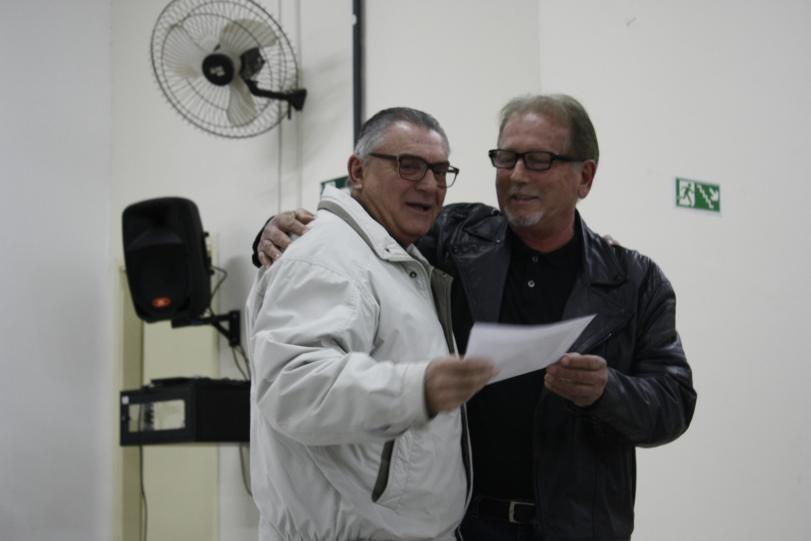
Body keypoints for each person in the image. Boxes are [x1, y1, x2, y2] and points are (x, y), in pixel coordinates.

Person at [254, 94, 697, 541]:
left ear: (585, 177)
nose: (516, 176)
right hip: (468, 524)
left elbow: (675, 402)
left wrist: (607, 390)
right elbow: (367, 233)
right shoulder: (455, 239)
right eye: (506, 158)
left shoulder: (633, 281)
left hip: (579, 527)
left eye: (538, 160)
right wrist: (278, 232)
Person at [246, 106, 496, 541]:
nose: (430, 184)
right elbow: (292, 386)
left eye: (440, 171)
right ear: (357, 172)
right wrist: (416, 389)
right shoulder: (328, 256)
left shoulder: (392, 256)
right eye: (409, 165)